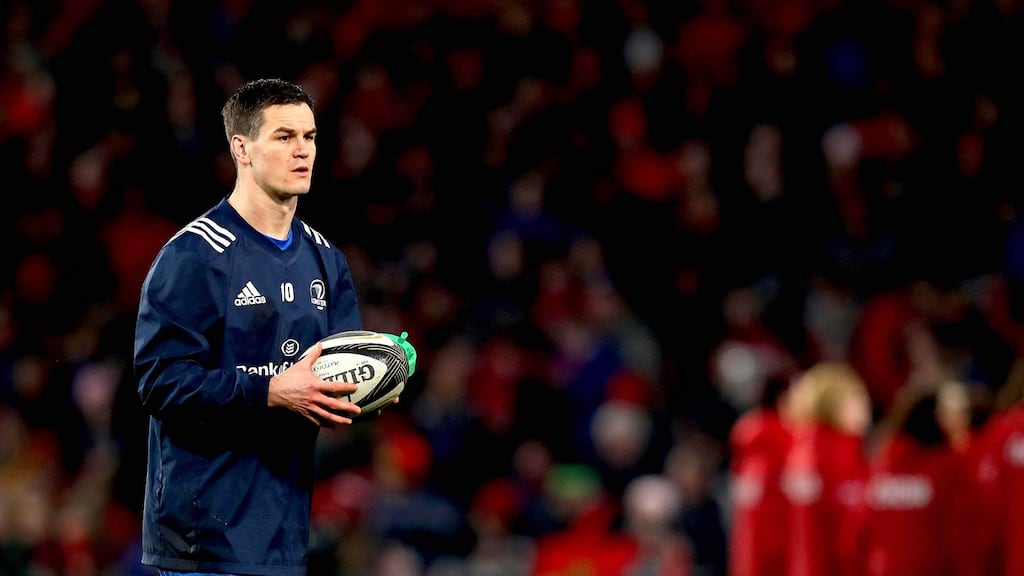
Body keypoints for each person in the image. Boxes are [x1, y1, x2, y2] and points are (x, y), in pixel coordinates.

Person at [133, 78, 371, 575]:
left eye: (309, 137)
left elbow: (334, 383)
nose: (302, 150)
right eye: (284, 137)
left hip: (283, 534)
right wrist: (269, 390)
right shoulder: (193, 256)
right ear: (241, 148)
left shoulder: (326, 260)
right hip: (204, 538)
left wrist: (372, 386)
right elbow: (159, 382)